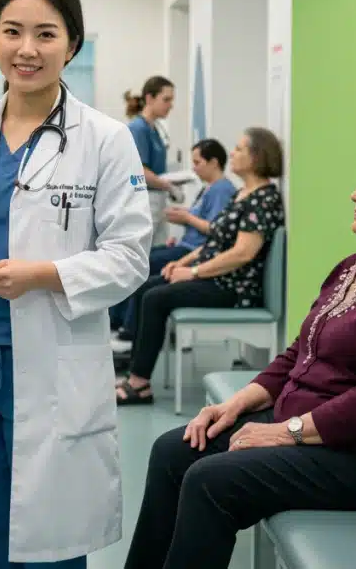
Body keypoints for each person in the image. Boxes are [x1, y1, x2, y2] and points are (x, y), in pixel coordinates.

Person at [124, 134, 356, 569]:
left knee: (210, 481)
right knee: (172, 451)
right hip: (306, 427)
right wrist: (232, 407)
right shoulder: (353, 266)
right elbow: (297, 355)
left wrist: (281, 432)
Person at [0, 0, 152, 568]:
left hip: (54, 359)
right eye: (12, 31)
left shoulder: (105, 140)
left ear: (72, 44)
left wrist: (44, 273)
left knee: (52, 543)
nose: (28, 49)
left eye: (46, 34)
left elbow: (129, 258)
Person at [116, 127, 285, 406]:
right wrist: (179, 263)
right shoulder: (242, 194)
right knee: (147, 286)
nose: (232, 153)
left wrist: (192, 273)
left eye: (240, 149)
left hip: (234, 288)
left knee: (155, 297)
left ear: (257, 156)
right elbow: (216, 241)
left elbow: (242, 254)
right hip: (216, 277)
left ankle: (139, 384)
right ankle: (137, 374)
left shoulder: (264, 199)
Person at [111, 138, 235, 352]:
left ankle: (129, 332)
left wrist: (187, 219)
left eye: (198, 162)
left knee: (142, 264)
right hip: (185, 246)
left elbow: (214, 229)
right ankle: (120, 323)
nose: (194, 168)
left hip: (193, 253)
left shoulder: (222, 190)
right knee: (135, 258)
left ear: (214, 162)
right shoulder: (209, 189)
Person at [125, 76, 182, 247]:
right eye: (166, 99)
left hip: (157, 198)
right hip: (145, 199)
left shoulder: (154, 129)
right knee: (143, 252)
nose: (170, 105)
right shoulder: (138, 129)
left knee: (158, 248)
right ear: (149, 98)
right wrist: (169, 186)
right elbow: (140, 171)